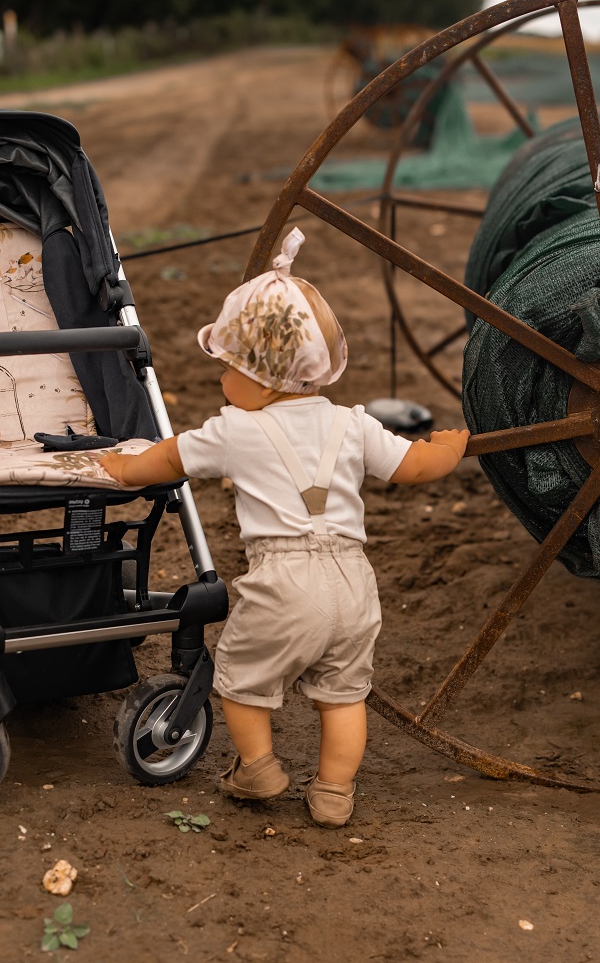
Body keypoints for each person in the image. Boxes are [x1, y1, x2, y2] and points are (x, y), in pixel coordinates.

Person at [100, 227, 469, 828]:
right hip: (354, 582)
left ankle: (260, 768)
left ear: (261, 377)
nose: (221, 380)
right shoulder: (354, 424)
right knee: (344, 695)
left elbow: (168, 459)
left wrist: (122, 467)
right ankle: (332, 793)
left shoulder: (234, 430)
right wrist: (447, 450)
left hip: (284, 582)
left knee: (241, 679)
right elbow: (412, 466)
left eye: (226, 368)